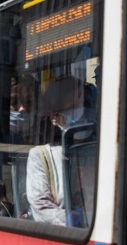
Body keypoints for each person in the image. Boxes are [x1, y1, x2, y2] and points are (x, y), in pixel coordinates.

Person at [26, 76, 93, 225]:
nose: (81, 114)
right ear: (53, 118)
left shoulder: (103, 148)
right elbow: (42, 208)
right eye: (70, 109)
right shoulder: (41, 156)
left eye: (84, 106)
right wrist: (79, 221)